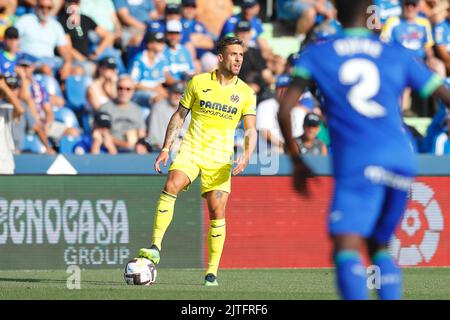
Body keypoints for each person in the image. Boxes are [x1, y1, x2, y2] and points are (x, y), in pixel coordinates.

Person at [278, 0, 450, 300]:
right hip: (402, 159)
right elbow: (444, 95)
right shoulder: (397, 53)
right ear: (374, 18)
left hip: (359, 161)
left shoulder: (318, 54)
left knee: (346, 247)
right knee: (379, 245)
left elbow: (284, 110)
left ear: (337, 15)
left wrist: (297, 162)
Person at [138, 36, 257, 286]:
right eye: (233, 54)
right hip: (192, 149)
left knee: (217, 211)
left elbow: (251, 128)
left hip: (220, 158)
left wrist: (247, 154)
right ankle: (155, 246)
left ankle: (211, 273)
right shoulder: (199, 82)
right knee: (172, 184)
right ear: (221, 57)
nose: (238, 59)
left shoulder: (245, 92)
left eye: (241, 55)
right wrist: (165, 148)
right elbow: (179, 116)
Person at [15, 0, 73, 80]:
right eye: (42, 7)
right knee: (45, 69)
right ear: (36, 7)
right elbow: (12, 40)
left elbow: (64, 51)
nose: (45, 10)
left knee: (75, 71)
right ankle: (50, 91)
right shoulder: (25, 20)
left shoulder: (56, 25)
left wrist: (67, 64)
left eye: (49, 8)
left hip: (49, 61)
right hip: (29, 58)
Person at [99, 75, 146, 152]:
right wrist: (125, 145)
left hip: (135, 152)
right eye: (120, 88)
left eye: (128, 89)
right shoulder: (105, 108)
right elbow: (103, 133)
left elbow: (141, 134)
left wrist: (140, 146)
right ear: (116, 89)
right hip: (112, 150)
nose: (123, 92)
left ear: (133, 90)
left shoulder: (137, 110)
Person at [146, 81, 190, 151]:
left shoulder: (186, 109)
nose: (177, 96)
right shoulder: (158, 107)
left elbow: (186, 132)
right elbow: (154, 137)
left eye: (181, 94)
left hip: (180, 147)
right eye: (175, 93)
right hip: (160, 148)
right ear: (169, 93)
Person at [0, 74, 25, 174]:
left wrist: (5, 87)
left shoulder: (10, 108)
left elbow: (20, 110)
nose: (10, 90)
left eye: (13, 88)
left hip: (4, 164)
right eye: (9, 87)